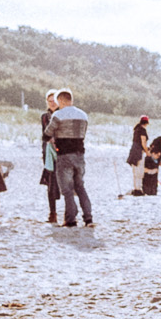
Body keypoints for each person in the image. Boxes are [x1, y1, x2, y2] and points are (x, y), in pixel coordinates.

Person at [50, 89, 94, 228]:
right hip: (80, 155)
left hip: (64, 155)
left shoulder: (58, 115)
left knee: (67, 190)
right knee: (80, 187)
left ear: (61, 100)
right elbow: (83, 134)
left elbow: (47, 133)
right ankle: (88, 218)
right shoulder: (83, 115)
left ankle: (70, 219)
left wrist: (53, 139)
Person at [39, 93, 65, 226]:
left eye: (54, 101)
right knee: (50, 183)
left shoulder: (63, 114)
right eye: (49, 101)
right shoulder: (44, 117)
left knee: (66, 182)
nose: (52, 103)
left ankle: (68, 214)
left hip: (63, 152)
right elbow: (44, 134)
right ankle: (53, 213)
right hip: (48, 152)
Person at [127, 115, 151, 195]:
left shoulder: (136, 129)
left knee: (135, 171)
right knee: (140, 171)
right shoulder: (142, 130)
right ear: (147, 123)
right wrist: (147, 151)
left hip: (133, 151)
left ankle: (136, 187)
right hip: (138, 152)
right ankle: (138, 189)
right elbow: (143, 142)